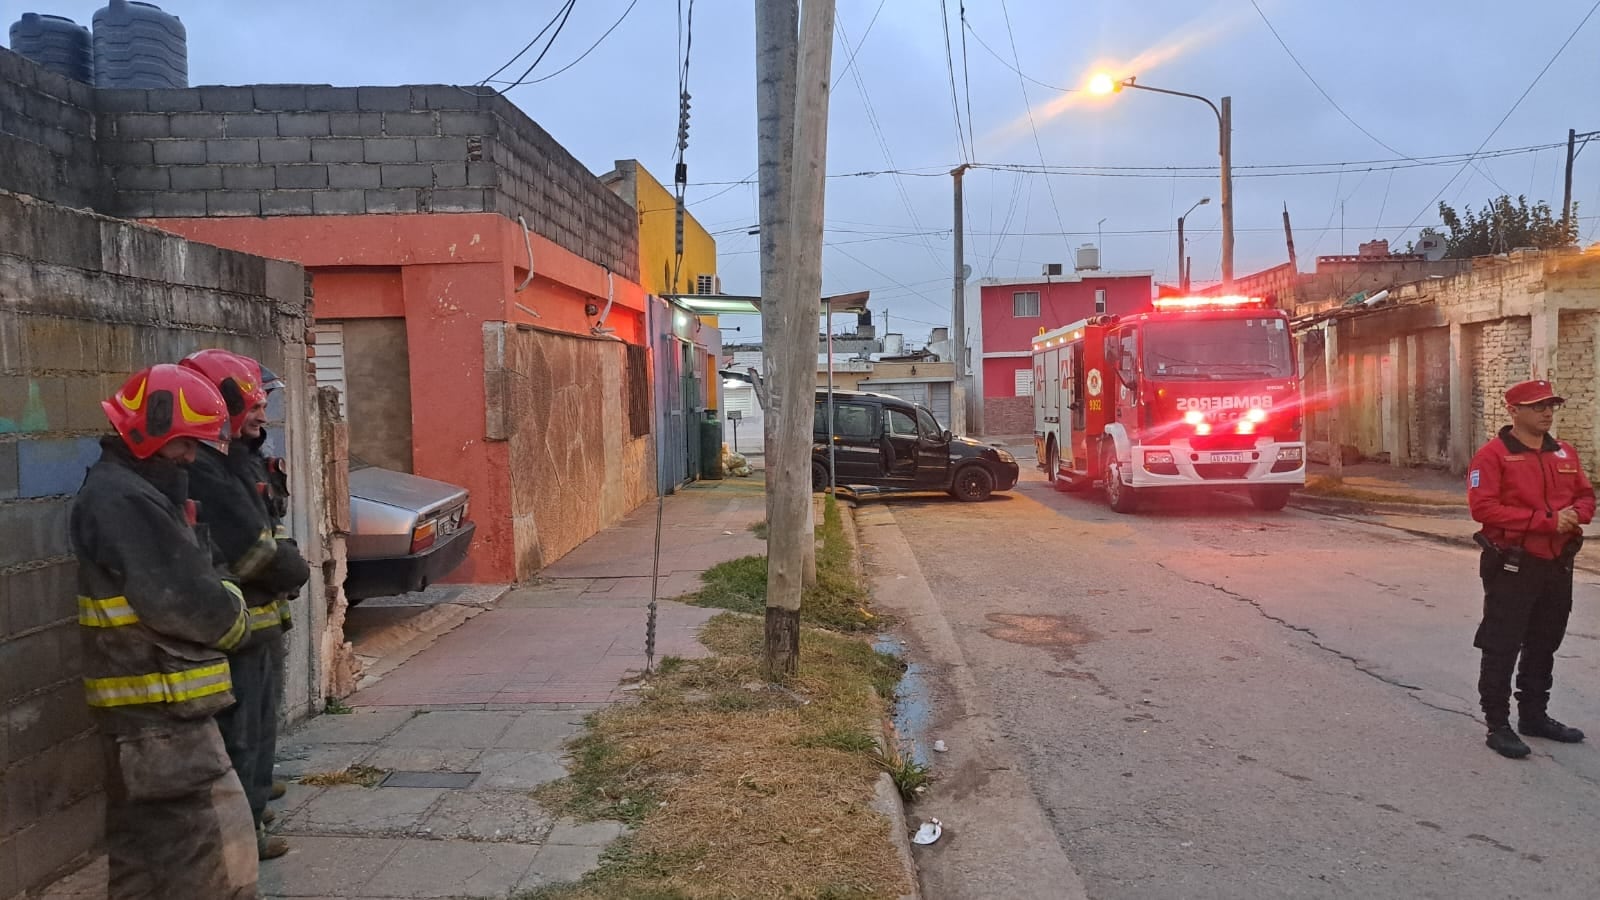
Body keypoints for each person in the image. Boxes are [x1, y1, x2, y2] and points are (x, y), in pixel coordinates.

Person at [71, 364, 259, 898]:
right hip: (163, 720)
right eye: (183, 444)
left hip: (145, 720)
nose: (191, 457)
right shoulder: (125, 499)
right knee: (219, 862)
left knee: (145, 866)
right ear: (148, 432)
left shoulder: (129, 491)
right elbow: (203, 608)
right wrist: (234, 606)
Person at [180, 349, 310, 860]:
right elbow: (249, 548)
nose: (262, 415)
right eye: (254, 406)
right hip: (235, 628)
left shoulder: (236, 459)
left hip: (258, 620)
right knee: (239, 732)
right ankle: (245, 826)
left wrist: (288, 564)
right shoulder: (208, 471)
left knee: (257, 725)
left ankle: (255, 803)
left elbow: (267, 528)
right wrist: (291, 568)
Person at [1467, 379, 1595, 759]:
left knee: (1545, 641)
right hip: (1513, 564)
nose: (1546, 412)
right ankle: (1497, 723)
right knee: (1502, 643)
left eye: (1550, 405)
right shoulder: (1492, 456)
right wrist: (1548, 520)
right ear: (1513, 411)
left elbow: (1586, 495)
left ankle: (1534, 715)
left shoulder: (1565, 453)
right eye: (1537, 406)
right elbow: (1483, 509)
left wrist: (1576, 517)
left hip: (1557, 564)